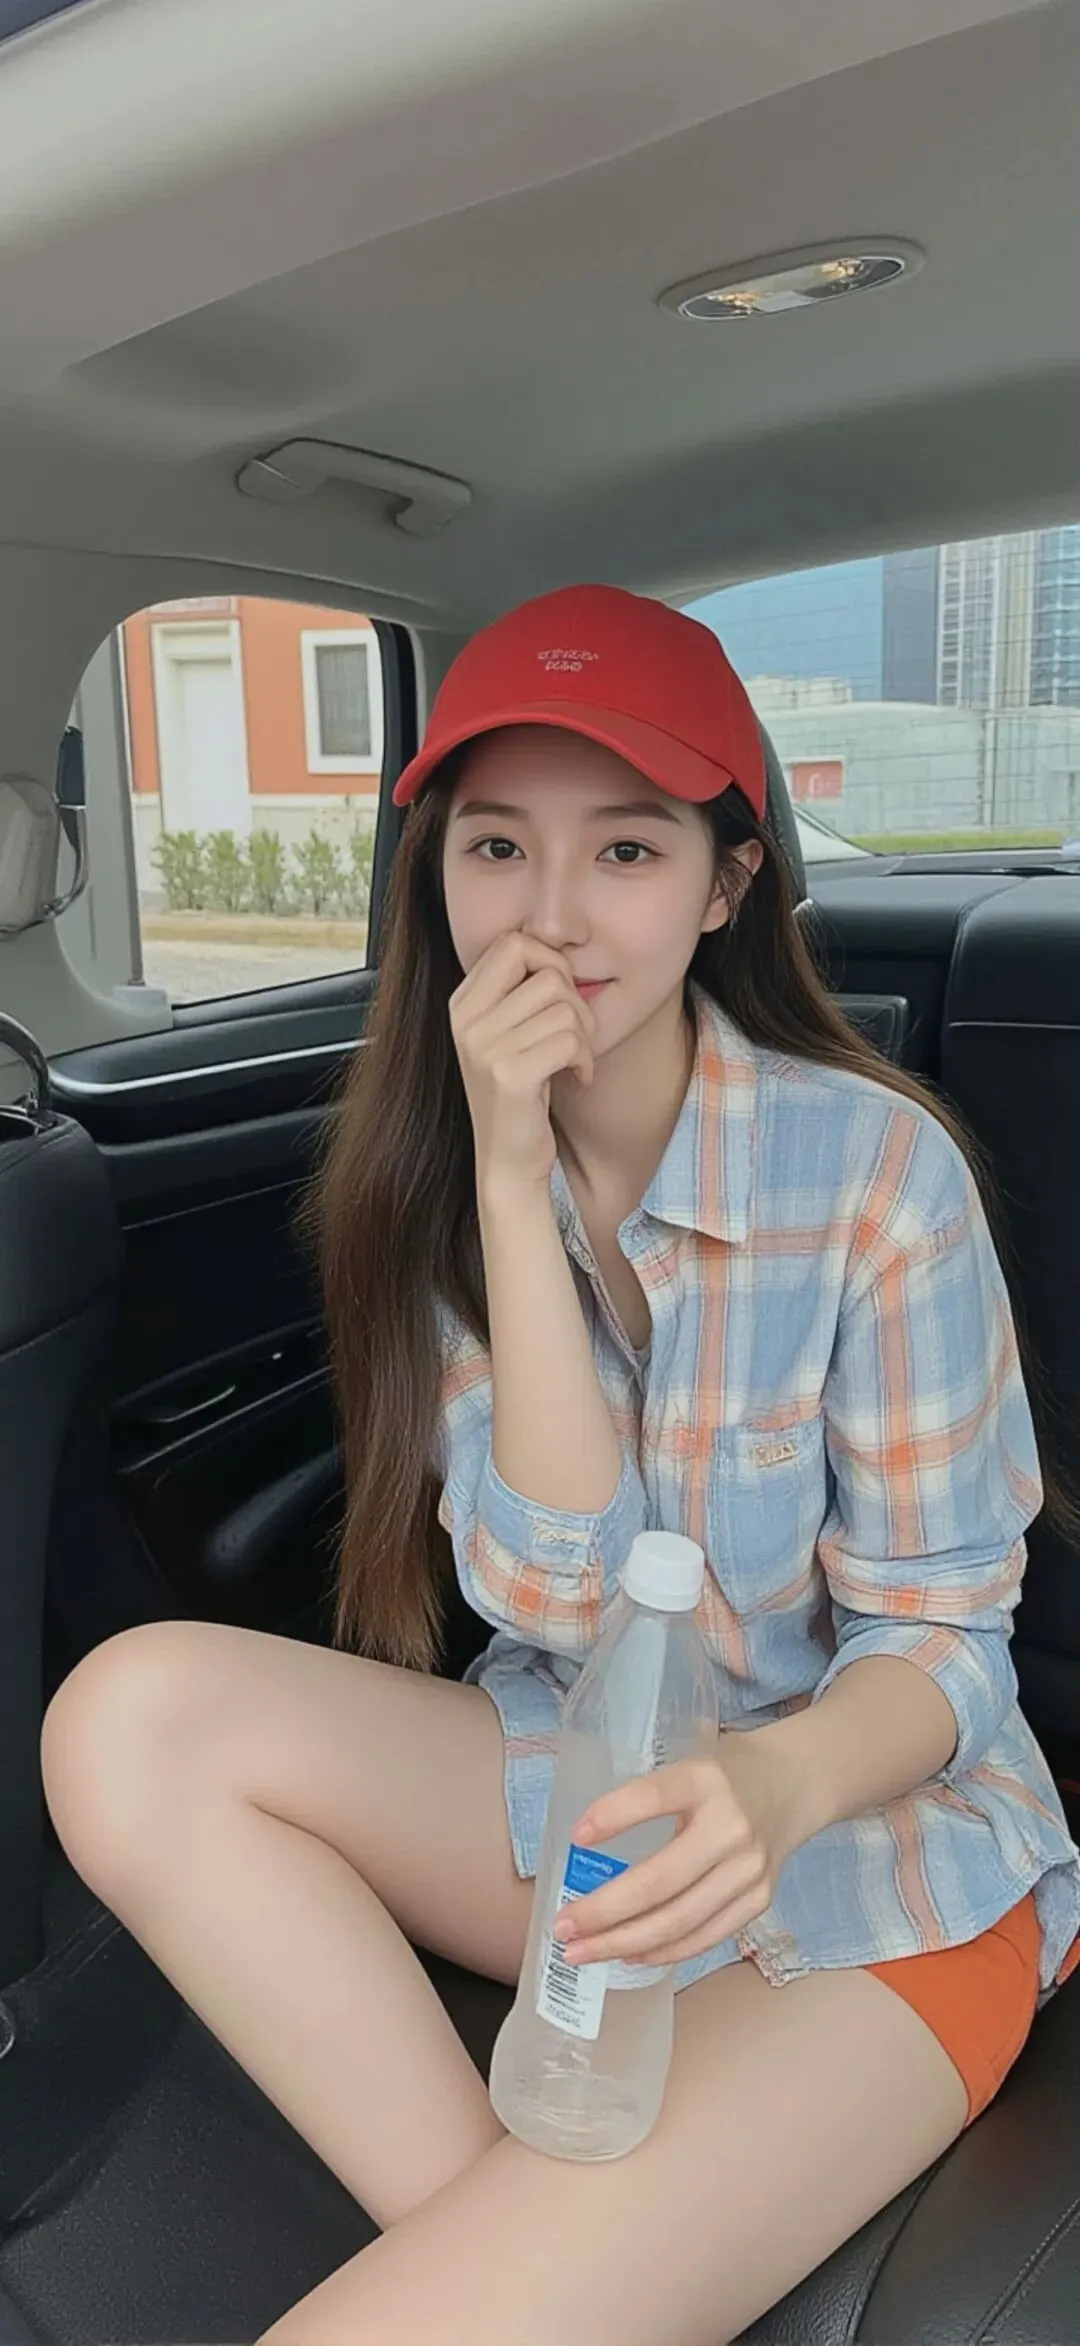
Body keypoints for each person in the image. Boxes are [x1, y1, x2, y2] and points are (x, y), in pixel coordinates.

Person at [41, 584, 1080, 2346]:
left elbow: (946, 1640)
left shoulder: (879, 1177)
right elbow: (552, 1598)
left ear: (724, 884)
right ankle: (557, 2259)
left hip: (880, 1857)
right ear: (438, 874)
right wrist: (513, 1185)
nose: (550, 913)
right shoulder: (454, 1175)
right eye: (498, 846)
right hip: (588, 1784)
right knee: (124, 1718)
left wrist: (772, 1790)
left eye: (627, 849)